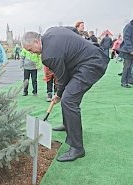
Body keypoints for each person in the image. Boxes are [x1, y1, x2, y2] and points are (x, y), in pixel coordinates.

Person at [21, 27, 109, 162]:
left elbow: (62, 78)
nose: (33, 53)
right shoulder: (51, 31)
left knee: (68, 100)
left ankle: (77, 148)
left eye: (31, 49)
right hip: (89, 56)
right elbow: (72, 30)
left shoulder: (48, 55)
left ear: (36, 41)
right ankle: (67, 124)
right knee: (68, 96)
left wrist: (59, 94)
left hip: (91, 64)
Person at [119, 20, 133, 88]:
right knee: (127, 67)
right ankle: (123, 82)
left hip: (129, 50)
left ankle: (129, 80)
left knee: (130, 67)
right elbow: (126, 38)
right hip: (127, 51)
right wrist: (130, 50)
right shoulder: (128, 27)